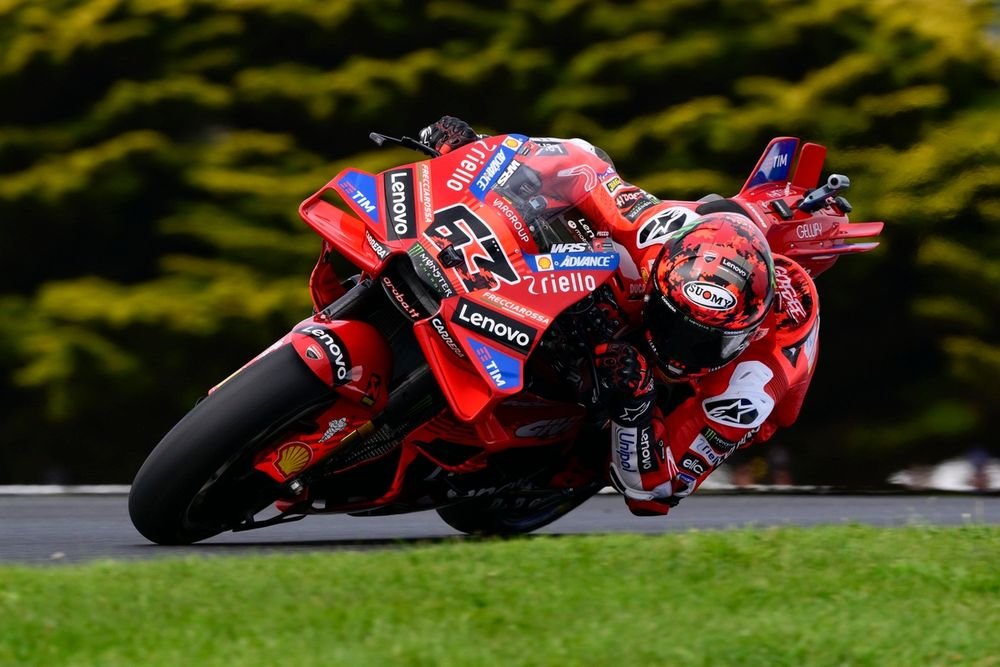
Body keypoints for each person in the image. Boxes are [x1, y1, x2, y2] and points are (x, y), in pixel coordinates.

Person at [419, 116, 820, 515]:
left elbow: (658, 494)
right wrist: (478, 151)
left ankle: (575, 455)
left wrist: (636, 408)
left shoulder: (751, 381)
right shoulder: (652, 231)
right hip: (707, 241)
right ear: (656, 278)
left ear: (745, 336)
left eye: (704, 342)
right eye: (670, 323)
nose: (679, 350)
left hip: (749, 375)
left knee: (758, 420)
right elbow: (580, 160)